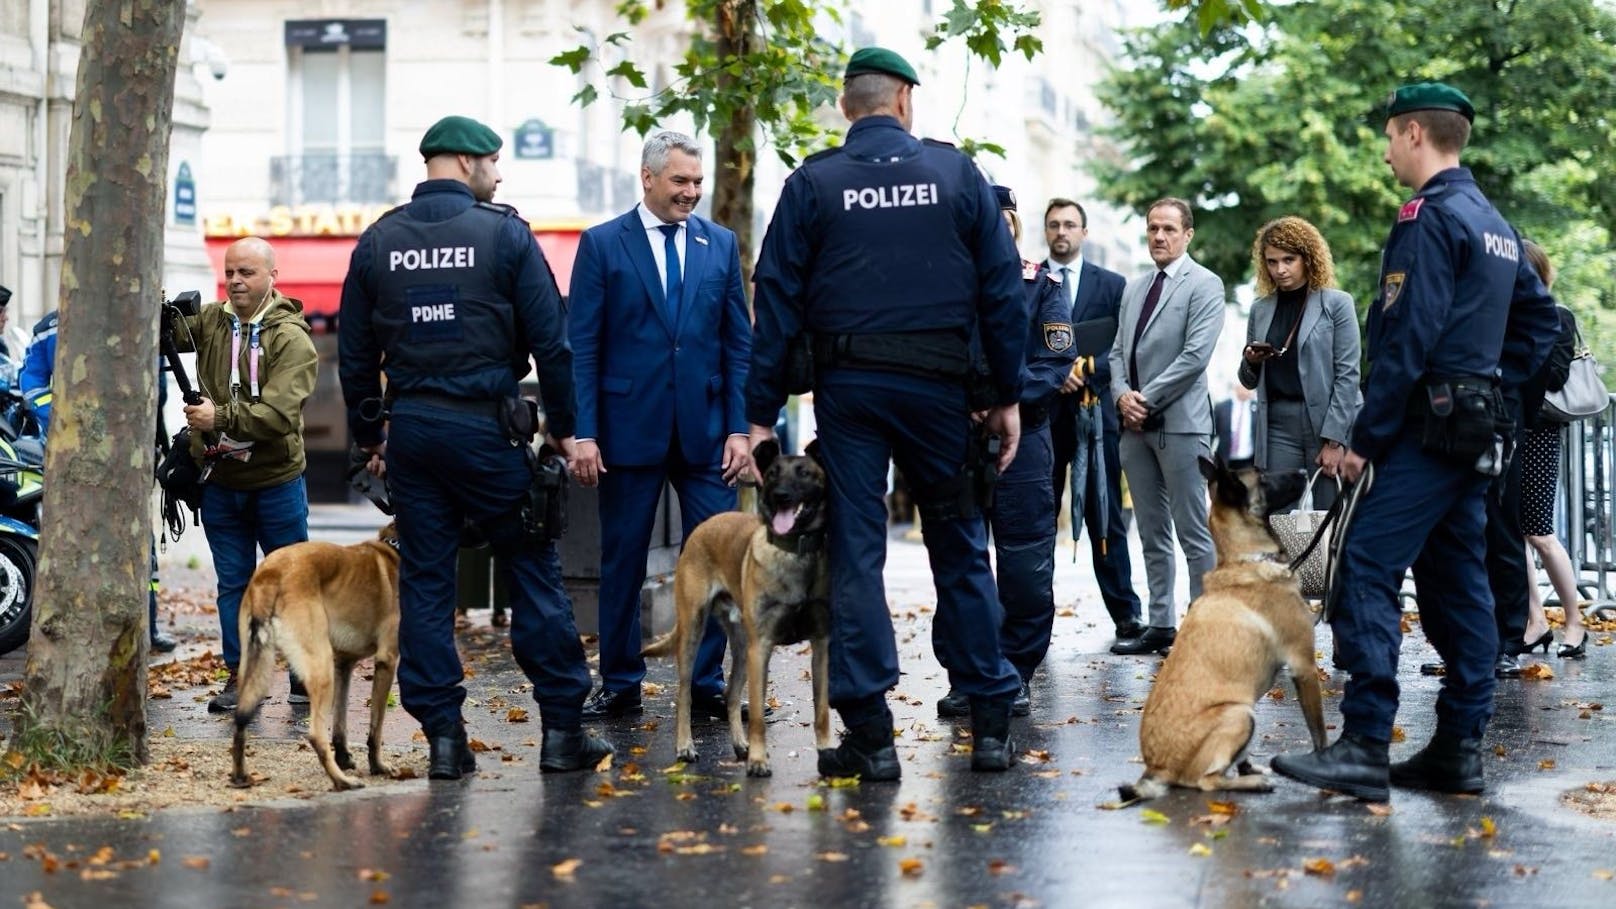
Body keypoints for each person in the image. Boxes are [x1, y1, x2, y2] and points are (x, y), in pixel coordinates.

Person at [1271, 83, 1558, 801]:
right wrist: (1496, 391)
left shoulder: (1426, 218)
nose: (1386, 149)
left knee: (1364, 567)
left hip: (1428, 432)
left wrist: (1362, 439)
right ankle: (1459, 748)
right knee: (1457, 581)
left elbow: (1404, 337)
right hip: (1474, 432)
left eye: (1389, 136)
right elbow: (1544, 324)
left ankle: (1365, 743)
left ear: (1412, 135)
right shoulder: (1492, 221)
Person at [745, 47, 1026, 779]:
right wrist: (1006, 395)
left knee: (857, 551)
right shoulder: (957, 174)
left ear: (847, 106)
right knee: (960, 545)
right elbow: (1001, 293)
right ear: (903, 100)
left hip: (851, 392)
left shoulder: (813, 184)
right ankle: (990, 719)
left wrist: (758, 412)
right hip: (941, 393)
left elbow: (774, 299)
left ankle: (870, 732)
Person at [340, 115, 612, 778]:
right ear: (464, 162)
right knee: (532, 568)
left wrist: (372, 435)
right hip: (489, 431)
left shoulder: (378, 243)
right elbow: (554, 344)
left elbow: (353, 355)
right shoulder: (505, 236)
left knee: (428, 585)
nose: (499, 173)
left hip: (416, 436)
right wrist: (567, 431)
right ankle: (562, 732)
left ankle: (443, 739)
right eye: (493, 160)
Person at [567, 130, 752, 722]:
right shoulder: (601, 245)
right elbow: (585, 348)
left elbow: (737, 345)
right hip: (626, 431)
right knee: (621, 561)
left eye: (697, 182)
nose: (691, 192)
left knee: (722, 560)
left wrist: (740, 430)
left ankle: (704, 684)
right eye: (680, 181)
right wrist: (585, 432)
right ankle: (620, 682)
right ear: (647, 178)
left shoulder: (720, 245)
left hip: (708, 435)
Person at [936, 185, 1075, 719]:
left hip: (1026, 441)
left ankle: (1014, 673)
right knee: (958, 560)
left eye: (1004, 220)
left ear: (1013, 226)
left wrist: (1002, 400)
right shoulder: (943, 283)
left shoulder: (1041, 285)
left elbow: (1054, 362)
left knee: (1024, 566)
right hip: (955, 437)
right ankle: (966, 674)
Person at [167, 236, 319, 714]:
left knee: (291, 583)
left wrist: (220, 418)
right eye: (230, 272)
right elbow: (168, 333)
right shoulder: (213, 321)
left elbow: (277, 416)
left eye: (246, 272)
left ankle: (300, 672)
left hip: (276, 482)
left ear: (272, 277)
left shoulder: (292, 339)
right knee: (233, 585)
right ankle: (243, 677)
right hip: (221, 483)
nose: (235, 280)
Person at [1107, 198, 1226, 657]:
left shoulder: (1205, 285)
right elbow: (1118, 352)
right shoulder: (1135, 288)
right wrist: (1122, 396)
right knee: (1151, 531)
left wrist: (1144, 399)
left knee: (1192, 529)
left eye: (1169, 229)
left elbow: (1194, 358)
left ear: (1187, 234)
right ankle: (1161, 622)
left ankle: (1203, 623)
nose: (1159, 236)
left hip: (1181, 426)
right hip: (1134, 429)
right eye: (1153, 228)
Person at [21, 309, 178, 653]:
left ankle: (146, 627)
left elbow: (157, 391)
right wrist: (66, 421)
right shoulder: (50, 327)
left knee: (139, 545)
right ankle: (77, 630)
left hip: (130, 455)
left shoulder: (136, 318)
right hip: (73, 455)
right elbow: (32, 383)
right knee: (78, 540)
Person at [1043, 199, 1143, 642]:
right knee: (1038, 518)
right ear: (1045, 232)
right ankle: (1031, 619)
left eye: (1069, 224)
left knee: (1105, 514)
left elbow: (1125, 346)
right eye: (1053, 225)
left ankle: (1126, 614)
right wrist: (1054, 372)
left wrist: (1086, 370)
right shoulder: (1032, 280)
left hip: (1095, 416)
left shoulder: (1113, 285)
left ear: (1084, 232)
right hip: (1042, 417)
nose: (1061, 231)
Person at [1237, 215, 1362, 510]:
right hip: (1278, 424)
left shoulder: (1336, 304)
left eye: (1288, 259)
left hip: (1324, 423)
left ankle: (1330, 561)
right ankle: (1292, 561)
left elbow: (1348, 375)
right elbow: (1248, 380)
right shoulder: (1260, 310)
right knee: (1280, 519)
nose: (1279, 269)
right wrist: (1251, 361)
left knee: (1330, 516)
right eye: (1271, 261)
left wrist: (1334, 440)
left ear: (1307, 258)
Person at [1516, 241, 1589, 659]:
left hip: (1541, 432)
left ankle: (1575, 619)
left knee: (1540, 533)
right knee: (1515, 533)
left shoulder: (1556, 317)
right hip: (1511, 432)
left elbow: (1556, 375)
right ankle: (1535, 618)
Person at [1213, 383, 1257, 470]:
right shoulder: (1222, 407)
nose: (1248, 390)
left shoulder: (1257, 408)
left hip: (1248, 461)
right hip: (1225, 460)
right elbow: (1212, 433)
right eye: (1244, 386)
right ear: (1236, 387)